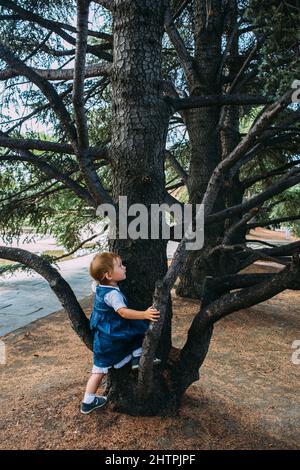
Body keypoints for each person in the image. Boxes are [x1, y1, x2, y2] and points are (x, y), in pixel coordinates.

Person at [81, 251, 161, 414]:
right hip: (112, 335)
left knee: (99, 369)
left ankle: (88, 400)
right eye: (120, 265)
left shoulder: (99, 286)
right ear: (109, 274)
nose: (124, 267)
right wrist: (144, 314)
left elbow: (96, 284)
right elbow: (123, 313)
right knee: (139, 329)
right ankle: (137, 357)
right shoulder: (112, 294)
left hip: (103, 335)